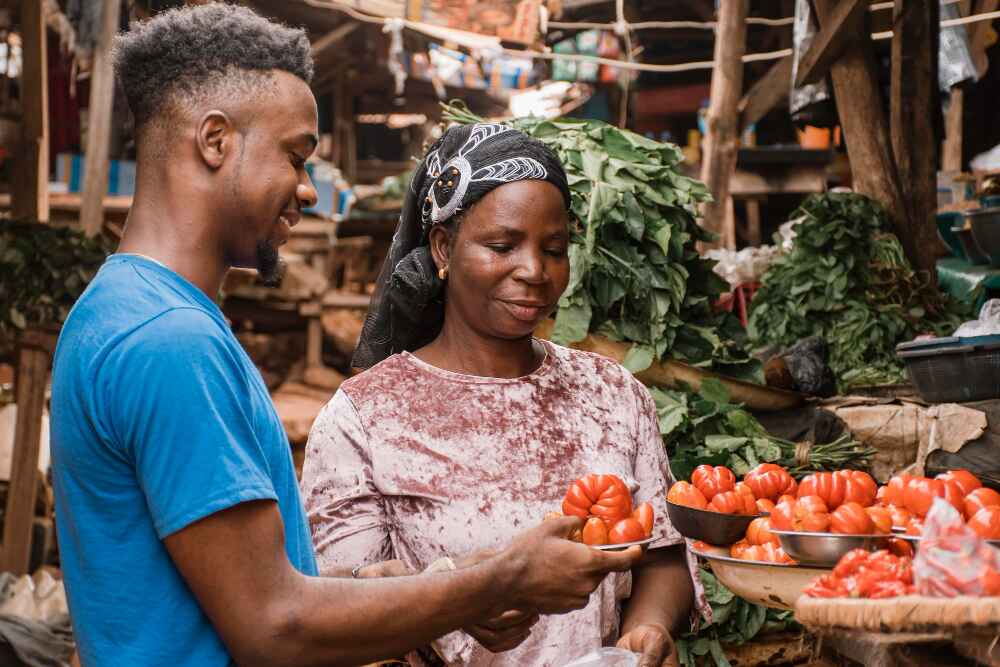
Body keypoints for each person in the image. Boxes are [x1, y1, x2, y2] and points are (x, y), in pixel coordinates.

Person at [48, 5, 642, 666]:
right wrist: (494, 583)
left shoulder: (114, 309)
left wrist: (405, 586)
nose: (308, 191)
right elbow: (274, 625)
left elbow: (235, 586)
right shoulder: (171, 343)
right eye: (296, 157)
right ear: (215, 141)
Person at [300, 123, 702, 667]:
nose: (534, 271)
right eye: (502, 245)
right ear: (443, 247)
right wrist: (455, 602)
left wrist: (648, 627)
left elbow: (661, 558)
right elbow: (343, 609)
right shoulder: (365, 417)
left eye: (554, 249)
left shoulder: (613, 394)